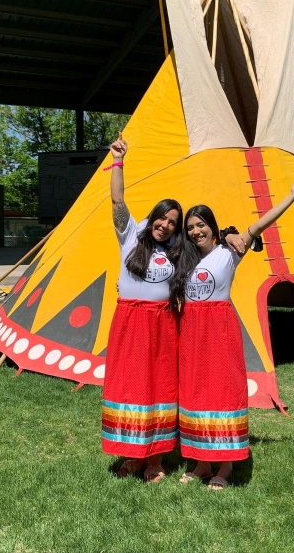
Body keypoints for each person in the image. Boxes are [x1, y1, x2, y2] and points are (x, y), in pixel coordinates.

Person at [170, 176, 294, 490]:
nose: (196, 231)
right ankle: (201, 461)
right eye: (191, 227)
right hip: (192, 329)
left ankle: (226, 465)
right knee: (196, 396)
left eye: (201, 225)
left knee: (222, 395)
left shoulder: (229, 251)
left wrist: (292, 196)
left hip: (219, 328)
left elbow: (260, 225)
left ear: (211, 225)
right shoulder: (184, 256)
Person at [101, 133, 183, 482]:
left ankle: (156, 460)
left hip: (163, 323)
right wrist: (119, 160)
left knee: (160, 386)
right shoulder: (131, 234)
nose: (165, 225)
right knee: (130, 386)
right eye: (162, 218)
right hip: (130, 320)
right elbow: (117, 198)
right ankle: (133, 456)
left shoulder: (178, 253)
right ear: (153, 218)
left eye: (172, 223)